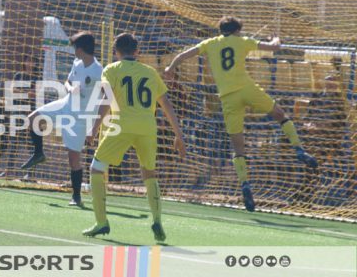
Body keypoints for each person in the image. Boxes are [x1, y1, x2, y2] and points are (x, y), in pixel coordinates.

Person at [164, 16, 318, 212]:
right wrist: (276, 39)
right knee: (280, 114)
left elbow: (185, 54)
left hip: (228, 97)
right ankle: (298, 149)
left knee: (238, 147)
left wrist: (170, 67)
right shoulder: (242, 41)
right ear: (237, 30)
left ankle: (245, 183)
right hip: (247, 89)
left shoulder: (210, 43)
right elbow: (273, 48)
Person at [84, 33, 186, 242]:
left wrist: (93, 129)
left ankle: (101, 222)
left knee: (97, 168)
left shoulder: (111, 69)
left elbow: (106, 100)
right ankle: (157, 220)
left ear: (116, 52)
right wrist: (179, 135)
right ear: (137, 51)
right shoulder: (149, 72)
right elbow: (166, 104)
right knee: (149, 173)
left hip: (121, 125)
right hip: (148, 127)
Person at [20, 31, 103, 206]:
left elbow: (105, 99)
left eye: (75, 47)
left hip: (80, 118)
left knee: (73, 159)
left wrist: (94, 128)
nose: (73, 50)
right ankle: (38, 153)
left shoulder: (98, 71)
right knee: (33, 118)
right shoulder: (77, 63)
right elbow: (67, 82)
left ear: (81, 49)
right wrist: (70, 89)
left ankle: (76, 196)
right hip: (65, 104)